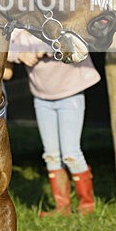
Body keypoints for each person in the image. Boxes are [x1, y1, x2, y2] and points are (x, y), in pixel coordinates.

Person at [6, 29, 100, 216]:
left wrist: (43, 47)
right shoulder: (18, 31)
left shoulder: (58, 21)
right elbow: (4, 46)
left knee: (71, 153)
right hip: (42, 97)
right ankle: (62, 207)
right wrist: (20, 55)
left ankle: (87, 206)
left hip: (70, 94)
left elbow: (76, 41)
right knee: (51, 155)